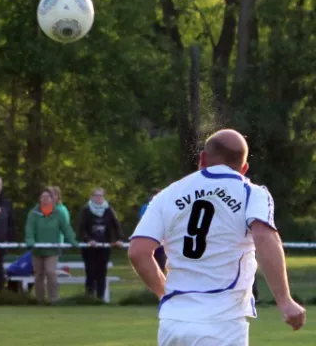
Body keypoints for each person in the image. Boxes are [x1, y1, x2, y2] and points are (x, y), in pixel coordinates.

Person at [128, 129, 306, 346]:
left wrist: (164, 292)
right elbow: (265, 238)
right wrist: (285, 301)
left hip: (173, 324)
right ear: (244, 168)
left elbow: (138, 252)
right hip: (222, 322)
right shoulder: (252, 193)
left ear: (202, 158)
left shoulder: (167, 194)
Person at [25, 188, 78, 303]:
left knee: (50, 272)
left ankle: (53, 299)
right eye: (43, 197)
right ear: (40, 199)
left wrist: (73, 241)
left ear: (52, 199)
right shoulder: (33, 213)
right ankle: (40, 300)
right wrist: (30, 241)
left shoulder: (58, 213)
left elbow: (66, 229)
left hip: (52, 250)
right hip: (37, 250)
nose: (45, 200)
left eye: (48, 197)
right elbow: (29, 230)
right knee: (38, 275)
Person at [78, 187, 124, 300]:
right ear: (91, 197)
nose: (98, 198)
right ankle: (88, 298)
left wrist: (119, 239)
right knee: (90, 272)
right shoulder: (86, 210)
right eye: (96, 196)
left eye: (101, 196)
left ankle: (100, 298)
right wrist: (88, 240)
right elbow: (81, 228)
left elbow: (116, 225)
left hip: (104, 247)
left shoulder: (109, 210)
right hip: (89, 248)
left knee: (102, 273)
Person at [140, 188, 166, 272]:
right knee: (149, 267)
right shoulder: (146, 208)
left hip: (161, 243)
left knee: (161, 266)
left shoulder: (165, 208)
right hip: (150, 241)